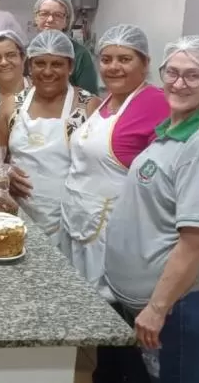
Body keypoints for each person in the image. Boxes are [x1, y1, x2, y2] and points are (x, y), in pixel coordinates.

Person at [103, 36, 199, 383]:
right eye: (173, 72)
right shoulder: (176, 126)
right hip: (168, 303)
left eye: (193, 75)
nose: (179, 83)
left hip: (184, 306)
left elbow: (198, 242)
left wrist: (157, 308)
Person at [57, 24, 170, 282]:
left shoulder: (156, 103)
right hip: (77, 220)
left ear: (145, 63)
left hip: (112, 231)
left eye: (125, 59)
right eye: (106, 59)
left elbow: (169, 174)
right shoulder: (107, 99)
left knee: (103, 300)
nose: (113, 67)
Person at [0, 30, 100, 236]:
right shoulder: (12, 106)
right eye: (40, 63)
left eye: (56, 64)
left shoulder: (88, 107)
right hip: (15, 218)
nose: (47, 72)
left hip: (72, 223)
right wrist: (3, 171)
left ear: (70, 67)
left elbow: (100, 169)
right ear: (29, 66)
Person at [32, 0, 99, 93]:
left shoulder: (80, 55)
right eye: (44, 14)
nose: (50, 19)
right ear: (36, 18)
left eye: (58, 15)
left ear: (66, 21)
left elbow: (90, 97)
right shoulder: (26, 52)